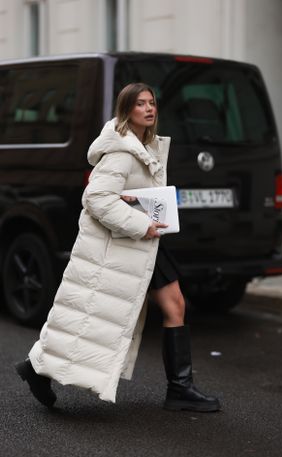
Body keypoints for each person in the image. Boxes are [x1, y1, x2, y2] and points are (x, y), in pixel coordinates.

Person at [15, 83, 221, 413]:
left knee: (174, 304)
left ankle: (180, 388)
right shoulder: (122, 152)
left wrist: (144, 207)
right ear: (127, 111)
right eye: (140, 104)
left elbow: (128, 195)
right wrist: (141, 223)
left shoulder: (146, 146)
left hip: (143, 244)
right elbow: (95, 198)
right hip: (123, 245)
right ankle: (36, 366)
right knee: (90, 318)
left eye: (152, 103)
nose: (149, 108)